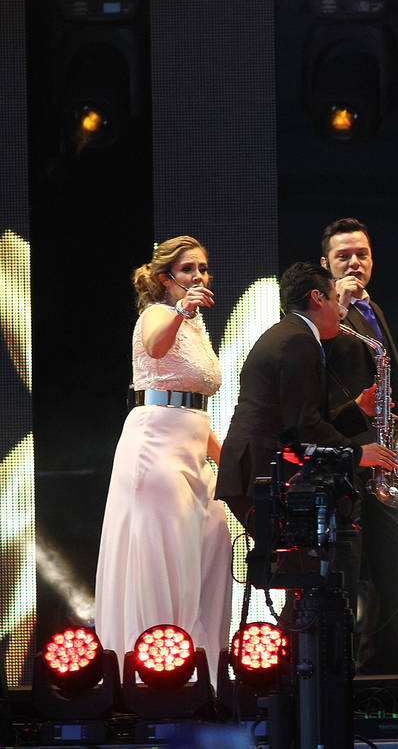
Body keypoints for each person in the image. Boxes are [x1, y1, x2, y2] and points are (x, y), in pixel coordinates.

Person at [95, 236, 232, 667]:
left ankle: (207, 673)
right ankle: (156, 673)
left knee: (213, 550)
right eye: (188, 268)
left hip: (193, 451)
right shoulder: (158, 313)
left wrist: (228, 459)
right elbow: (155, 346)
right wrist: (181, 310)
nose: (199, 276)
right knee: (165, 559)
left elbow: (195, 407)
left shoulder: (195, 325)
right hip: (156, 448)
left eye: (203, 268)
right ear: (164, 277)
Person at [215, 262, 397, 525]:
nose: (340, 311)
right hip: (261, 472)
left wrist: (357, 409)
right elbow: (303, 426)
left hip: (256, 470)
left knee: (291, 550)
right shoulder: (298, 340)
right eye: (335, 299)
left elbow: (298, 417)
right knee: (294, 551)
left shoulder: (292, 334)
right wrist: (358, 454)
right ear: (317, 298)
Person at [319, 217, 398, 674]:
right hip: (342, 453)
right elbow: (313, 375)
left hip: (379, 457)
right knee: (343, 573)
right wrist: (337, 306)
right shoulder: (320, 310)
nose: (354, 263)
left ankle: (385, 675)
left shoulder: (373, 308)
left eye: (362, 254)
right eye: (343, 256)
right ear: (326, 264)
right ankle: (339, 677)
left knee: (397, 562)